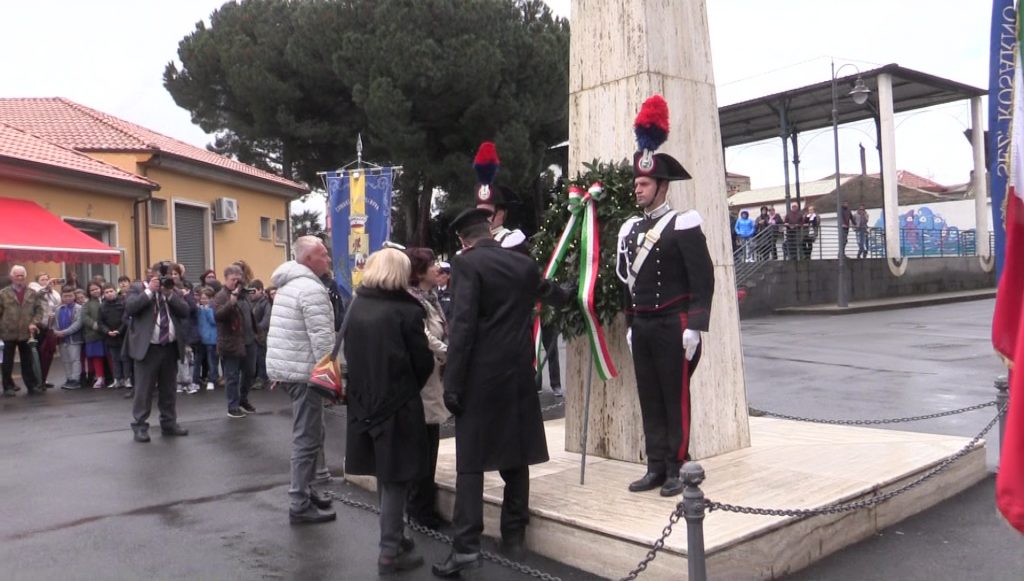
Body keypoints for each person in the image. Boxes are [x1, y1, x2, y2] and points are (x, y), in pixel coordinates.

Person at [432, 207, 552, 578]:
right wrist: (582, 297)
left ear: (463, 240)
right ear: (489, 230)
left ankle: (466, 545)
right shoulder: (523, 264)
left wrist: (452, 382)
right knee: (515, 456)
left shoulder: (466, 265)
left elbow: (463, 326)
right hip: (518, 372)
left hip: (481, 378)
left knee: (472, 463)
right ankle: (513, 536)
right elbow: (551, 292)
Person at [615, 95, 714, 497]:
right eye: (636, 183)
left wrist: (696, 326)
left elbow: (703, 278)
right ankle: (655, 465)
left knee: (676, 398)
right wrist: (630, 325)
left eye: (643, 183)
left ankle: (677, 466)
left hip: (674, 324)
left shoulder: (685, 223)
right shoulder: (630, 230)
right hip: (644, 324)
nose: (636, 189)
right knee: (649, 397)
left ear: (662, 186)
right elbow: (627, 284)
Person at [344, 248, 434, 574]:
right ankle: (390, 551)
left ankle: (394, 534)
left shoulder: (356, 305)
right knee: (396, 478)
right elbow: (422, 363)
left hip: (363, 403)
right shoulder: (406, 312)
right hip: (397, 404)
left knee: (385, 473)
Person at [266, 236, 337, 526]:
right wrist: (332, 379)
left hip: (291, 368)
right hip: (305, 372)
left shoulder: (289, 284)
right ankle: (298, 501)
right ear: (309, 260)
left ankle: (306, 490)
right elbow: (322, 341)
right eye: (323, 255)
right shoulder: (310, 288)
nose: (328, 259)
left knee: (312, 432)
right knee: (306, 438)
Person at [404, 247, 451, 530]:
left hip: (434, 377)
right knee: (423, 445)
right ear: (419, 273)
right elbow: (425, 336)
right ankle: (420, 507)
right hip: (424, 379)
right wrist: (448, 352)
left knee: (429, 442)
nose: (437, 269)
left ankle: (422, 503)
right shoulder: (414, 302)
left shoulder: (429, 298)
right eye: (432, 264)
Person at [126, 263, 191, 443]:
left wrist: (169, 294)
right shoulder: (137, 289)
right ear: (150, 275)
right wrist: (149, 292)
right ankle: (140, 426)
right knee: (144, 391)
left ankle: (169, 424)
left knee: (169, 389)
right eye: (159, 275)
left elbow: (185, 311)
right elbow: (130, 308)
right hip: (148, 349)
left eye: (168, 275)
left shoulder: (172, 290)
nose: (164, 279)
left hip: (169, 347)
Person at [214, 264, 258, 418]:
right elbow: (218, 316)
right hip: (231, 342)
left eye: (239, 280)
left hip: (248, 340)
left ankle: (243, 399)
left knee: (250, 373)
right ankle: (232, 406)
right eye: (233, 280)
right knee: (232, 376)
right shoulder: (221, 295)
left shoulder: (244, 294)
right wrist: (231, 302)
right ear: (226, 279)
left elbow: (249, 314)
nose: (236, 283)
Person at [0, 265, 43, 396]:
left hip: (26, 332)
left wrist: (34, 323)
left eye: (22, 275)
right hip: (8, 332)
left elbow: (39, 311)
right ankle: (8, 387)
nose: (20, 278)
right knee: (7, 361)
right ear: (11, 277)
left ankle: (31, 386)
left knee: (27, 361)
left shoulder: (32, 293)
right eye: (17, 275)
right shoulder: (3, 293)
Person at [32, 273, 62, 388]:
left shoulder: (54, 292)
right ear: (38, 281)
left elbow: (57, 303)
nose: (45, 281)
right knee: (38, 353)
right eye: (42, 279)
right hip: (39, 325)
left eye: (47, 279)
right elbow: (38, 294)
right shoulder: (33, 287)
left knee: (48, 354)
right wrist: (46, 288)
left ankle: (44, 379)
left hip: (50, 326)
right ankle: (36, 380)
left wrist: (50, 290)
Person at [98, 283, 128, 388]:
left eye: (111, 291)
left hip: (123, 335)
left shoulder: (123, 303)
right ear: (104, 294)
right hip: (110, 336)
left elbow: (126, 319)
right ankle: (117, 379)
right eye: (106, 292)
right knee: (115, 359)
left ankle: (127, 378)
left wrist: (119, 330)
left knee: (125, 358)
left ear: (115, 291)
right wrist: (107, 331)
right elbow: (100, 322)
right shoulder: (102, 306)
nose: (109, 294)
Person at [53, 286, 84, 390]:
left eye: (70, 296)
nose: (68, 298)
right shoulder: (58, 309)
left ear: (74, 296)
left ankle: (76, 380)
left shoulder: (78, 308)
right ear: (61, 297)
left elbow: (78, 324)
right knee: (65, 360)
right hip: (62, 340)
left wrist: (64, 332)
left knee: (75, 360)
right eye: (65, 296)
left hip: (74, 339)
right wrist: (56, 332)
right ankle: (69, 378)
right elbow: (55, 323)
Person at [81, 281, 108, 389]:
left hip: (108, 333)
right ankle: (100, 377)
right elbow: (84, 317)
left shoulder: (107, 300)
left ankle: (116, 377)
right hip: (94, 334)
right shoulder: (87, 304)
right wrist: (94, 325)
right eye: (92, 290)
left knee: (110, 355)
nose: (95, 291)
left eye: (96, 288)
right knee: (97, 356)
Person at [196, 287, 219, 391]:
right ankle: (195, 380)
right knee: (198, 361)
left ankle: (212, 380)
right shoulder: (199, 309)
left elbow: (214, 322)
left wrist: (208, 311)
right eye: (202, 298)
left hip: (211, 339)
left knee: (211, 361)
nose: (203, 300)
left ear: (211, 299)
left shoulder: (213, 308)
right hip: (201, 338)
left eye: (205, 298)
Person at [251, 279, 271, 390]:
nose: (252, 294)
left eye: (254, 291)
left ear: (260, 290)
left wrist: (256, 329)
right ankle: (255, 378)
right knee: (254, 359)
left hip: (261, 336)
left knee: (261, 358)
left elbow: (267, 319)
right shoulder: (251, 303)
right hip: (253, 336)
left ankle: (262, 378)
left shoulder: (265, 303)